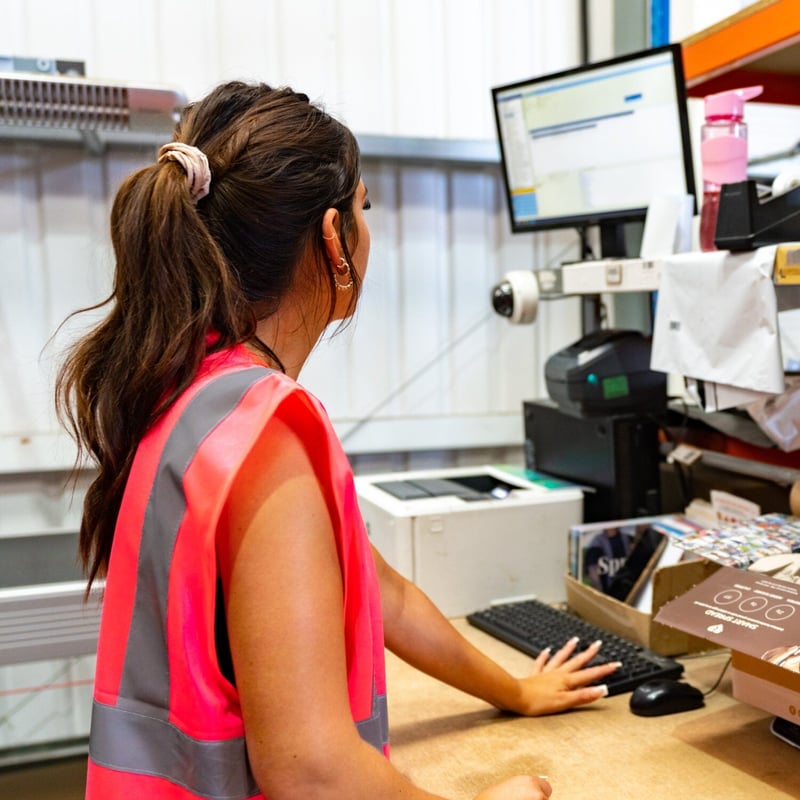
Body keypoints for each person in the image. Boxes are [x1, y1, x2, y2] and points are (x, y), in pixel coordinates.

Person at [56, 80, 620, 800]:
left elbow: (380, 591)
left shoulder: (187, 389)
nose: (367, 228)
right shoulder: (264, 431)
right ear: (333, 238)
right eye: (364, 209)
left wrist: (514, 689)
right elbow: (313, 771)